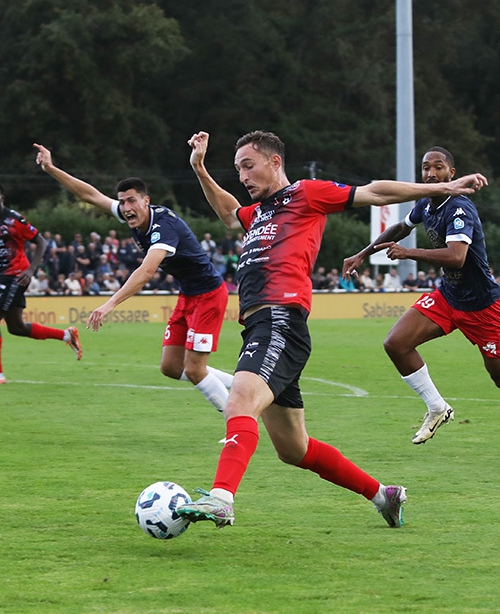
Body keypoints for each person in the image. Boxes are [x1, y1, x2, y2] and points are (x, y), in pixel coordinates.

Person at [174, 130, 486, 530]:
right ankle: (383, 495)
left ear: (274, 162)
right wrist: (200, 168)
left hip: (280, 320)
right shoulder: (261, 212)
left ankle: (221, 498)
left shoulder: (305, 193)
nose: (243, 176)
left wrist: (444, 186)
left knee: (239, 402)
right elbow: (230, 214)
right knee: (294, 449)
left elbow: (374, 192)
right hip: (260, 326)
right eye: (237, 169)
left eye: (248, 166)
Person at [34, 143, 233, 413]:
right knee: (171, 367)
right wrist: (51, 168)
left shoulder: (163, 227)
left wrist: (110, 303)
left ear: (146, 201)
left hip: (209, 296)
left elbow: (146, 272)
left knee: (196, 370)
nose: (126, 207)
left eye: (132, 201)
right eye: (123, 201)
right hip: (188, 294)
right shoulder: (136, 218)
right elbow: (90, 195)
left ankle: (238, 423)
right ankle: (241, 386)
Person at [343, 145, 498, 445]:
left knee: (498, 379)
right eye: (426, 167)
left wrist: (408, 253)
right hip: (448, 297)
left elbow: (456, 257)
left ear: (451, 174)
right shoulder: (426, 205)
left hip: (482, 307)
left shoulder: (460, 207)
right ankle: (437, 407)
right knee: (396, 344)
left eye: (438, 167)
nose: (430, 173)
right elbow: (401, 227)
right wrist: (362, 254)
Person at [0, 183, 82, 383]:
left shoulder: (14, 219)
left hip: (15, 275)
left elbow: (41, 242)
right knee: (16, 327)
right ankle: (66, 335)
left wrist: (31, 270)